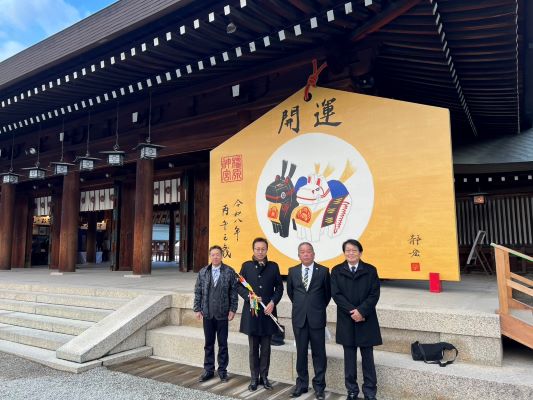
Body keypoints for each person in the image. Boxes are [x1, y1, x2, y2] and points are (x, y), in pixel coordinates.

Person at [331, 239, 382, 400]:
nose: (351, 253)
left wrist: (361, 311)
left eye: (354, 250)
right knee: (349, 359)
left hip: (366, 319)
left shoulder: (370, 270)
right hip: (347, 320)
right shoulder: (337, 271)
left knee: (368, 358)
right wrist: (352, 311)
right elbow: (336, 294)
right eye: (348, 250)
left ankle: (370, 392)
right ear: (344, 253)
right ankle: (352, 391)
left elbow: (374, 294)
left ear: (360, 253)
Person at [237, 237, 283, 391]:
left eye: (263, 249)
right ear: (253, 250)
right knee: (253, 348)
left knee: (266, 349)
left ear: (267, 250)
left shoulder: (273, 266)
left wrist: (273, 302)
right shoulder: (246, 266)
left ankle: (264, 377)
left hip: (268, 312)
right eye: (257, 249)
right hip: (253, 313)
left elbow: (279, 288)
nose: (260, 252)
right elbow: (239, 286)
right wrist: (249, 297)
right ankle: (253, 378)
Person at [287, 242, 331, 400]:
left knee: (319, 354)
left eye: (308, 251)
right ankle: (301, 385)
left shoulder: (324, 271)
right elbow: (291, 293)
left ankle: (319, 387)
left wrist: (315, 308)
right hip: (299, 318)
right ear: (298, 255)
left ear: (313, 254)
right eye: (302, 252)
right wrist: (303, 307)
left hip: (317, 318)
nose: (305, 254)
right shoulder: (292, 271)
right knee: (301, 353)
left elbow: (327, 294)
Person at [193, 245, 238, 383]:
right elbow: (198, 291)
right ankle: (208, 370)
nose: (215, 257)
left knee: (223, 344)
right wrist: (197, 308)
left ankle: (222, 371)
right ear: (210, 256)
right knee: (209, 343)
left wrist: (233, 309)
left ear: (221, 256)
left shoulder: (229, 271)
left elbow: (233, 292)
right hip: (207, 313)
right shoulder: (203, 272)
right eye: (213, 254)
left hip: (223, 314)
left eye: (218, 254)